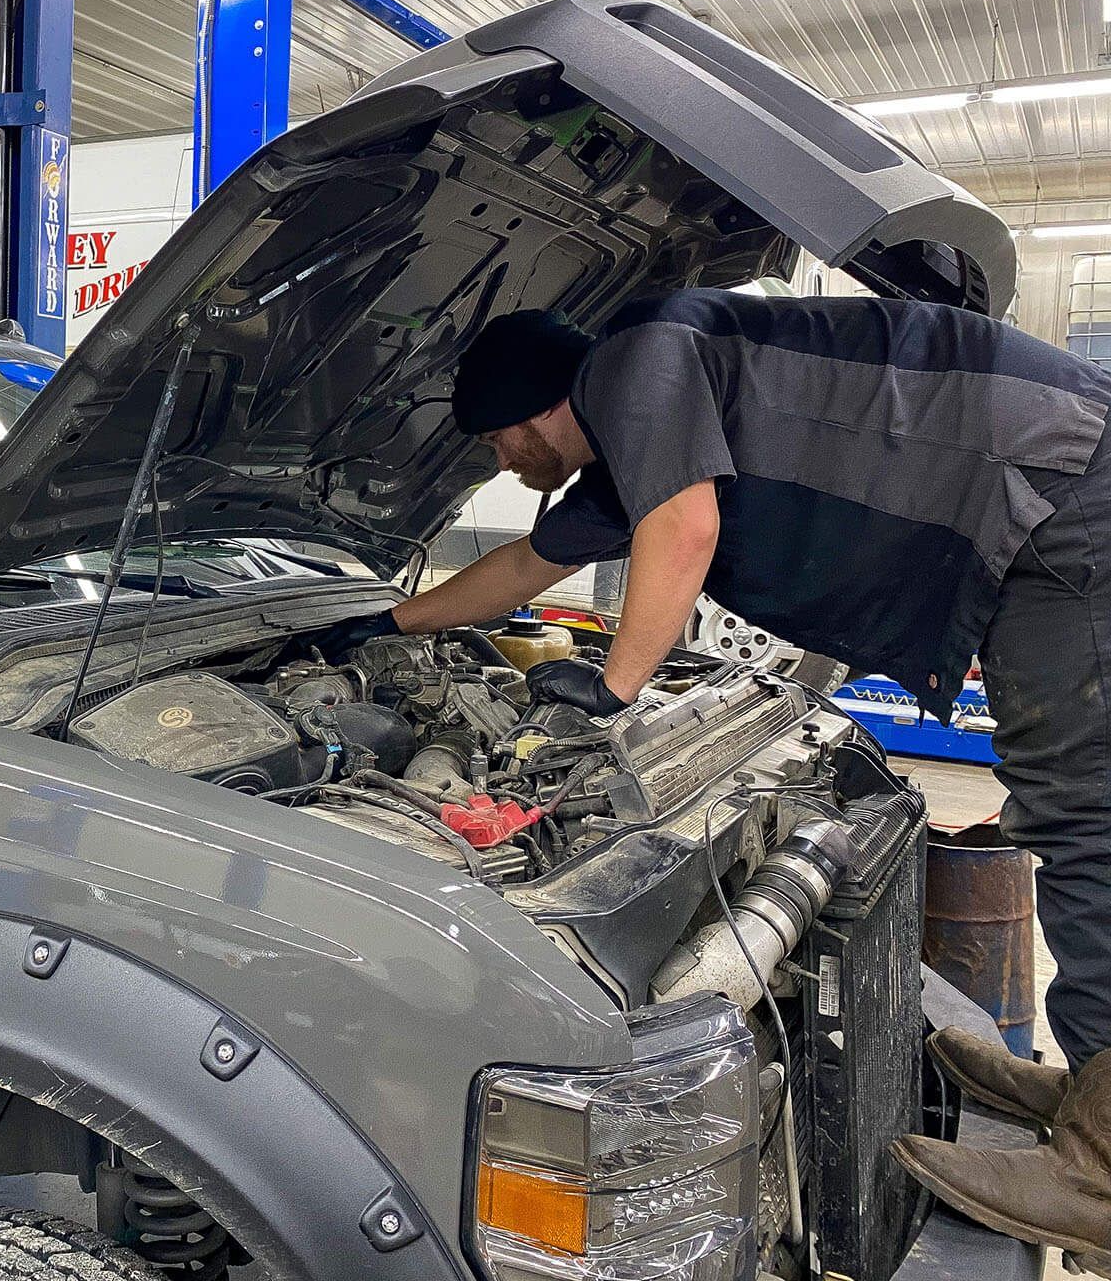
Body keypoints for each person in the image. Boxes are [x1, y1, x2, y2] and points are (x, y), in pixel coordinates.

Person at [306, 289, 1111, 1271]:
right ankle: (1090, 1093)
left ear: (523, 415)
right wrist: (389, 627)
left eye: (496, 444)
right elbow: (522, 565)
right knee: (1070, 804)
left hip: (1060, 492)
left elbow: (685, 530)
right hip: (1045, 492)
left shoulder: (635, 361)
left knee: (1088, 818)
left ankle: (1099, 1167)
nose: (501, 466)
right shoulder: (640, 437)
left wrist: (615, 685)